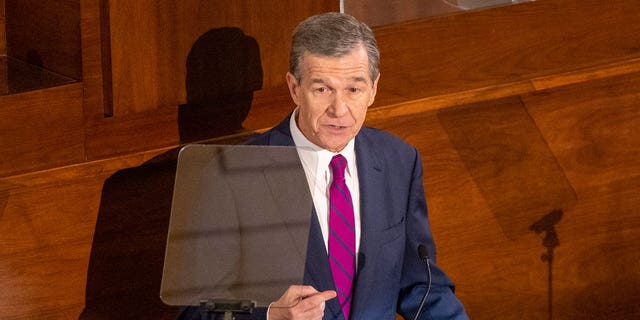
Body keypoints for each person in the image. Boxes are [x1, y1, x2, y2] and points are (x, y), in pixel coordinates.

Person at [178, 12, 467, 320]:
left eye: (353, 89)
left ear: (373, 89)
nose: (339, 109)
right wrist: (269, 314)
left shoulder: (399, 161)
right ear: (294, 88)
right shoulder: (231, 175)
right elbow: (196, 310)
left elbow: (421, 286)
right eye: (322, 89)